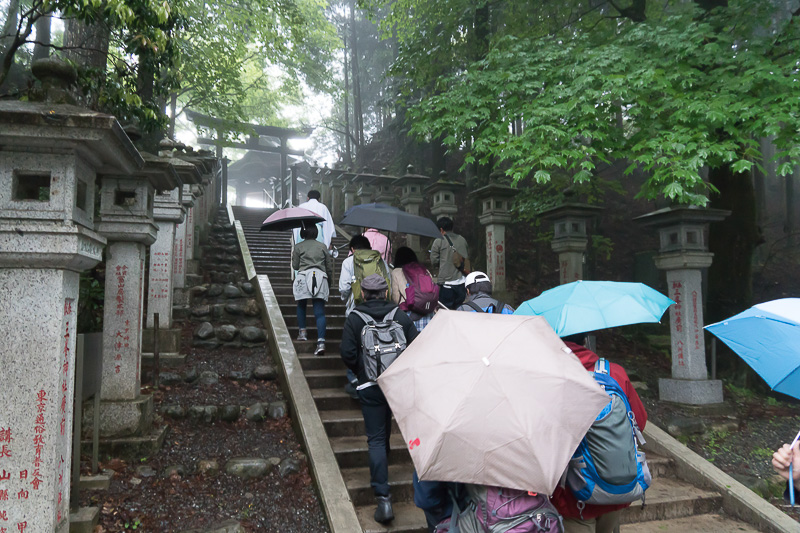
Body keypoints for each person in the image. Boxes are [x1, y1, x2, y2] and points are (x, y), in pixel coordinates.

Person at [340, 274, 419, 524]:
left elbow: (347, 353)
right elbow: (416, 345)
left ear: (363, 293)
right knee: (400, 431)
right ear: (385, 292)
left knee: (375, 438)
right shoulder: (399, 316)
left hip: (369, 386)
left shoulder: (355, 318)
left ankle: (383, 499)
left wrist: (361, 372)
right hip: (396, 385)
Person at [551, 332, 648, 533]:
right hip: (615, 490)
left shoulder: (551, 376)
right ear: (586, 341)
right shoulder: (615, 372)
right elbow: (640, 421)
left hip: (573, 495)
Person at [339, 235, 391, 399]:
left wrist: (347, 298)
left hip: (357, 310)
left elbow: (343, 287)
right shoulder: (380, 261)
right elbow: (388, 282)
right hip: (380, 311)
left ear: (352, 249)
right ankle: (377, 379)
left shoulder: (349, 261)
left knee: (355, 345)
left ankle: (354, 381)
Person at [292, 224, 333, 356]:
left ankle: (302, 332)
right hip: (320, 277)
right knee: (319, 312)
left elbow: (295, 265)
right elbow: (328, 267)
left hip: (303, 276)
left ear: (302, 233)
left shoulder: (298, 247)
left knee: (301, 305)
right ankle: (321, 342)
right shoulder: (322, 247)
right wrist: (330, 282)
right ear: (316, 232)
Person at [390, 246, 437, 332]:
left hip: (409, 316)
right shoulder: (424, 270)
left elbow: (396, 298)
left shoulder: (396, 272)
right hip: (429, 314)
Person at [430, 216, 469, 309]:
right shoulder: (462, 239)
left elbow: (434, 261)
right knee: (459, 311)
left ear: (441, 229)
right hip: (462, 283)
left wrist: (444, 261)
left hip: (447, 284)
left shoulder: (439, 240)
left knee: (446, 312)